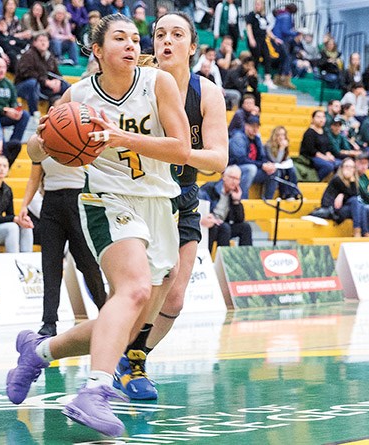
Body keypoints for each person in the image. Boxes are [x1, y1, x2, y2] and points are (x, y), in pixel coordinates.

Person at [5, 14, 191, 437]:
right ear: (96, 50)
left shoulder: (156, 83)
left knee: (127, 324)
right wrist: (42, 139)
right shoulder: (78, 96)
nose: (131, 44)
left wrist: (122, 137)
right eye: (119, 38)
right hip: (105, 199)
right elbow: (39, 151)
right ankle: (94, 390)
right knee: (134, 289)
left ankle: (39, 351)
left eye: (134, 38)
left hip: (159, 202)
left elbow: (181, 150)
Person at [112, 11, 229, 401]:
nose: (166, 41)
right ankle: (110, 359)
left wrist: (177, 150)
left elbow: (218, 161)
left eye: (177, 34)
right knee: (142, 288)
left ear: (192, 47)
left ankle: (134, 359)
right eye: (160, 33)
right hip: (138, 194)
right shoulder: (138, 82)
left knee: (175, 296)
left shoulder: (207, 92)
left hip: (183, 194)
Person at [20, 155, 107, 337]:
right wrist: (24, 206)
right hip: (51, 202)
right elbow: (34, 178)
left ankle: (105, 311)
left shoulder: (83, 132)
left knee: (88, 265)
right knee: (50, 265)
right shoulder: (40, 141)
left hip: (80, 199)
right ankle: (49, 322)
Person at [14, 32, 70, 116]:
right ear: (34, 43)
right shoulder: (28, 55)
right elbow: (26, 73)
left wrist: (57, 81)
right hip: (23, 86)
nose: (43, 43)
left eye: (45, 41)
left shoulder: (50, 56)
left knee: (66, 86)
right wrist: (46, 82)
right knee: (32, 83)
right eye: (40, 40)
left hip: (43, 87)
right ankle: (34, 114)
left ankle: (57, 114)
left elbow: (56, 73)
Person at [199, 165, 252, 249]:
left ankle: (246, 258)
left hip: (223, 225)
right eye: (232, 178)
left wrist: (236, 201)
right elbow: (200, 205)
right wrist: (209, 216)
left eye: (237, 179)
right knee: (224, 227)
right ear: (224, 177)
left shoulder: (233, 194)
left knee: (245, 227)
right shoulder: (210, 188)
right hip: (210, 224)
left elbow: (239, 220)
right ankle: (223, 259)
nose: (234, 182)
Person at [320, 157, 369, 237]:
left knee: (361, 206)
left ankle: (364, 232)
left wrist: (344, 193)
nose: (349, 169)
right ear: (341, 168)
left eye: (351, 167)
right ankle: (358, 231)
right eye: (346, 166)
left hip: (345, 208)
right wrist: (346, 190)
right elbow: (352, 196)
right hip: (332, 210)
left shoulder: (353, 180)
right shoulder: (337, 179)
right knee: (356, 201)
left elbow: (354, 195)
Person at [0, 57, 30, 144]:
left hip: (5, 115)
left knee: (24, 115)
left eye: (4, 67)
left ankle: (13, 143)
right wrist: (5, 110)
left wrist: (16, 111)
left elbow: (13, 101)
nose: (2, 70)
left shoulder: (8, 83)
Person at [228, 115, 273, 198]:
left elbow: (262, 157)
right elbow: (240, 160)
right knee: (251, 169)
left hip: (252, 169)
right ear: (246, 125)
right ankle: (242, 200)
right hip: (235, 169)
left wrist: (267, 164)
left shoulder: (256, 138)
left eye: (257, 127)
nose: (255, 129)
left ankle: (268, 200)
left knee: (273, 170)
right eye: (252, 126)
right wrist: (261, 165)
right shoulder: (238, 137)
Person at [243, 0, 276, 89]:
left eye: (259, 4)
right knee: (256, 58)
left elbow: (267, 30)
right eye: (256, 4)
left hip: (263, 39)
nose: (257, 6)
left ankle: (267, 78)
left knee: (267, 57)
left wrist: (275, 38)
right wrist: (251, 39)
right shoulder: (251, 15)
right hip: (255, 39)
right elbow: (249, 28)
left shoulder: (263, 16)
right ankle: (253, 77)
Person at [300, 109, 338, 180]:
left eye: (323, 117)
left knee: (339, 164)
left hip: (322, 156)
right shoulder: (309, 133)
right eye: (318, 117)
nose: (321, 119)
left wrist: (329, 155)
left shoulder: (324, 131)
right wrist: (325, 158)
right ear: (313, 119)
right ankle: (315, 180)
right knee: (328, 166)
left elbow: (327, 146)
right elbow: (311, 150)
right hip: (310, 158)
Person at [264, 125, 298, 199]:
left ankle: (294, 193)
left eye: (283, 135)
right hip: (272, 167)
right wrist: (281, 148)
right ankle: (285, 194)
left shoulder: (284, 145)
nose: (281, 137)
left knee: (292, 170)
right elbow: (275, 161)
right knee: (280, 172)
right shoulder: (268, 146)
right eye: (278, 135)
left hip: (281, 166)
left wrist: (287, 160)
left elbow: (286, 158)